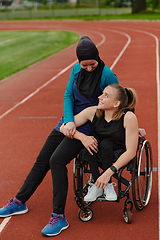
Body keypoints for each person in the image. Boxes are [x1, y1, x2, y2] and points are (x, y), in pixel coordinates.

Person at [0, 36, 119, 237]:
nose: (89, 68)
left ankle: (58, 216)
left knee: (57, 161)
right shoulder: (75, 70)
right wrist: (69, 121)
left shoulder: (107, 75)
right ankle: (19, 202)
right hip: (69, 122)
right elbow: (68, 96)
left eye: (93, 64)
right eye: (85, 65)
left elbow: (119, 100)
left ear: (98, 58)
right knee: (42, 160)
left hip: (90, 125)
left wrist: (132, 123)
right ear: (79, 61)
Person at [60, 84, 139, 202]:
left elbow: (131, 152)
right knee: (90, 142)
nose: (99, 97)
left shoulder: (128, 117)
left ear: (116, 104)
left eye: (106, 95)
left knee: (106, 143)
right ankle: (99, 185)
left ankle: (106, 183)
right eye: (102, 93)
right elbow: (63, 127)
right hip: (99, 149)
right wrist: (82, 137)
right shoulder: (93, 112)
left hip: (119, 149)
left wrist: (108, 173)